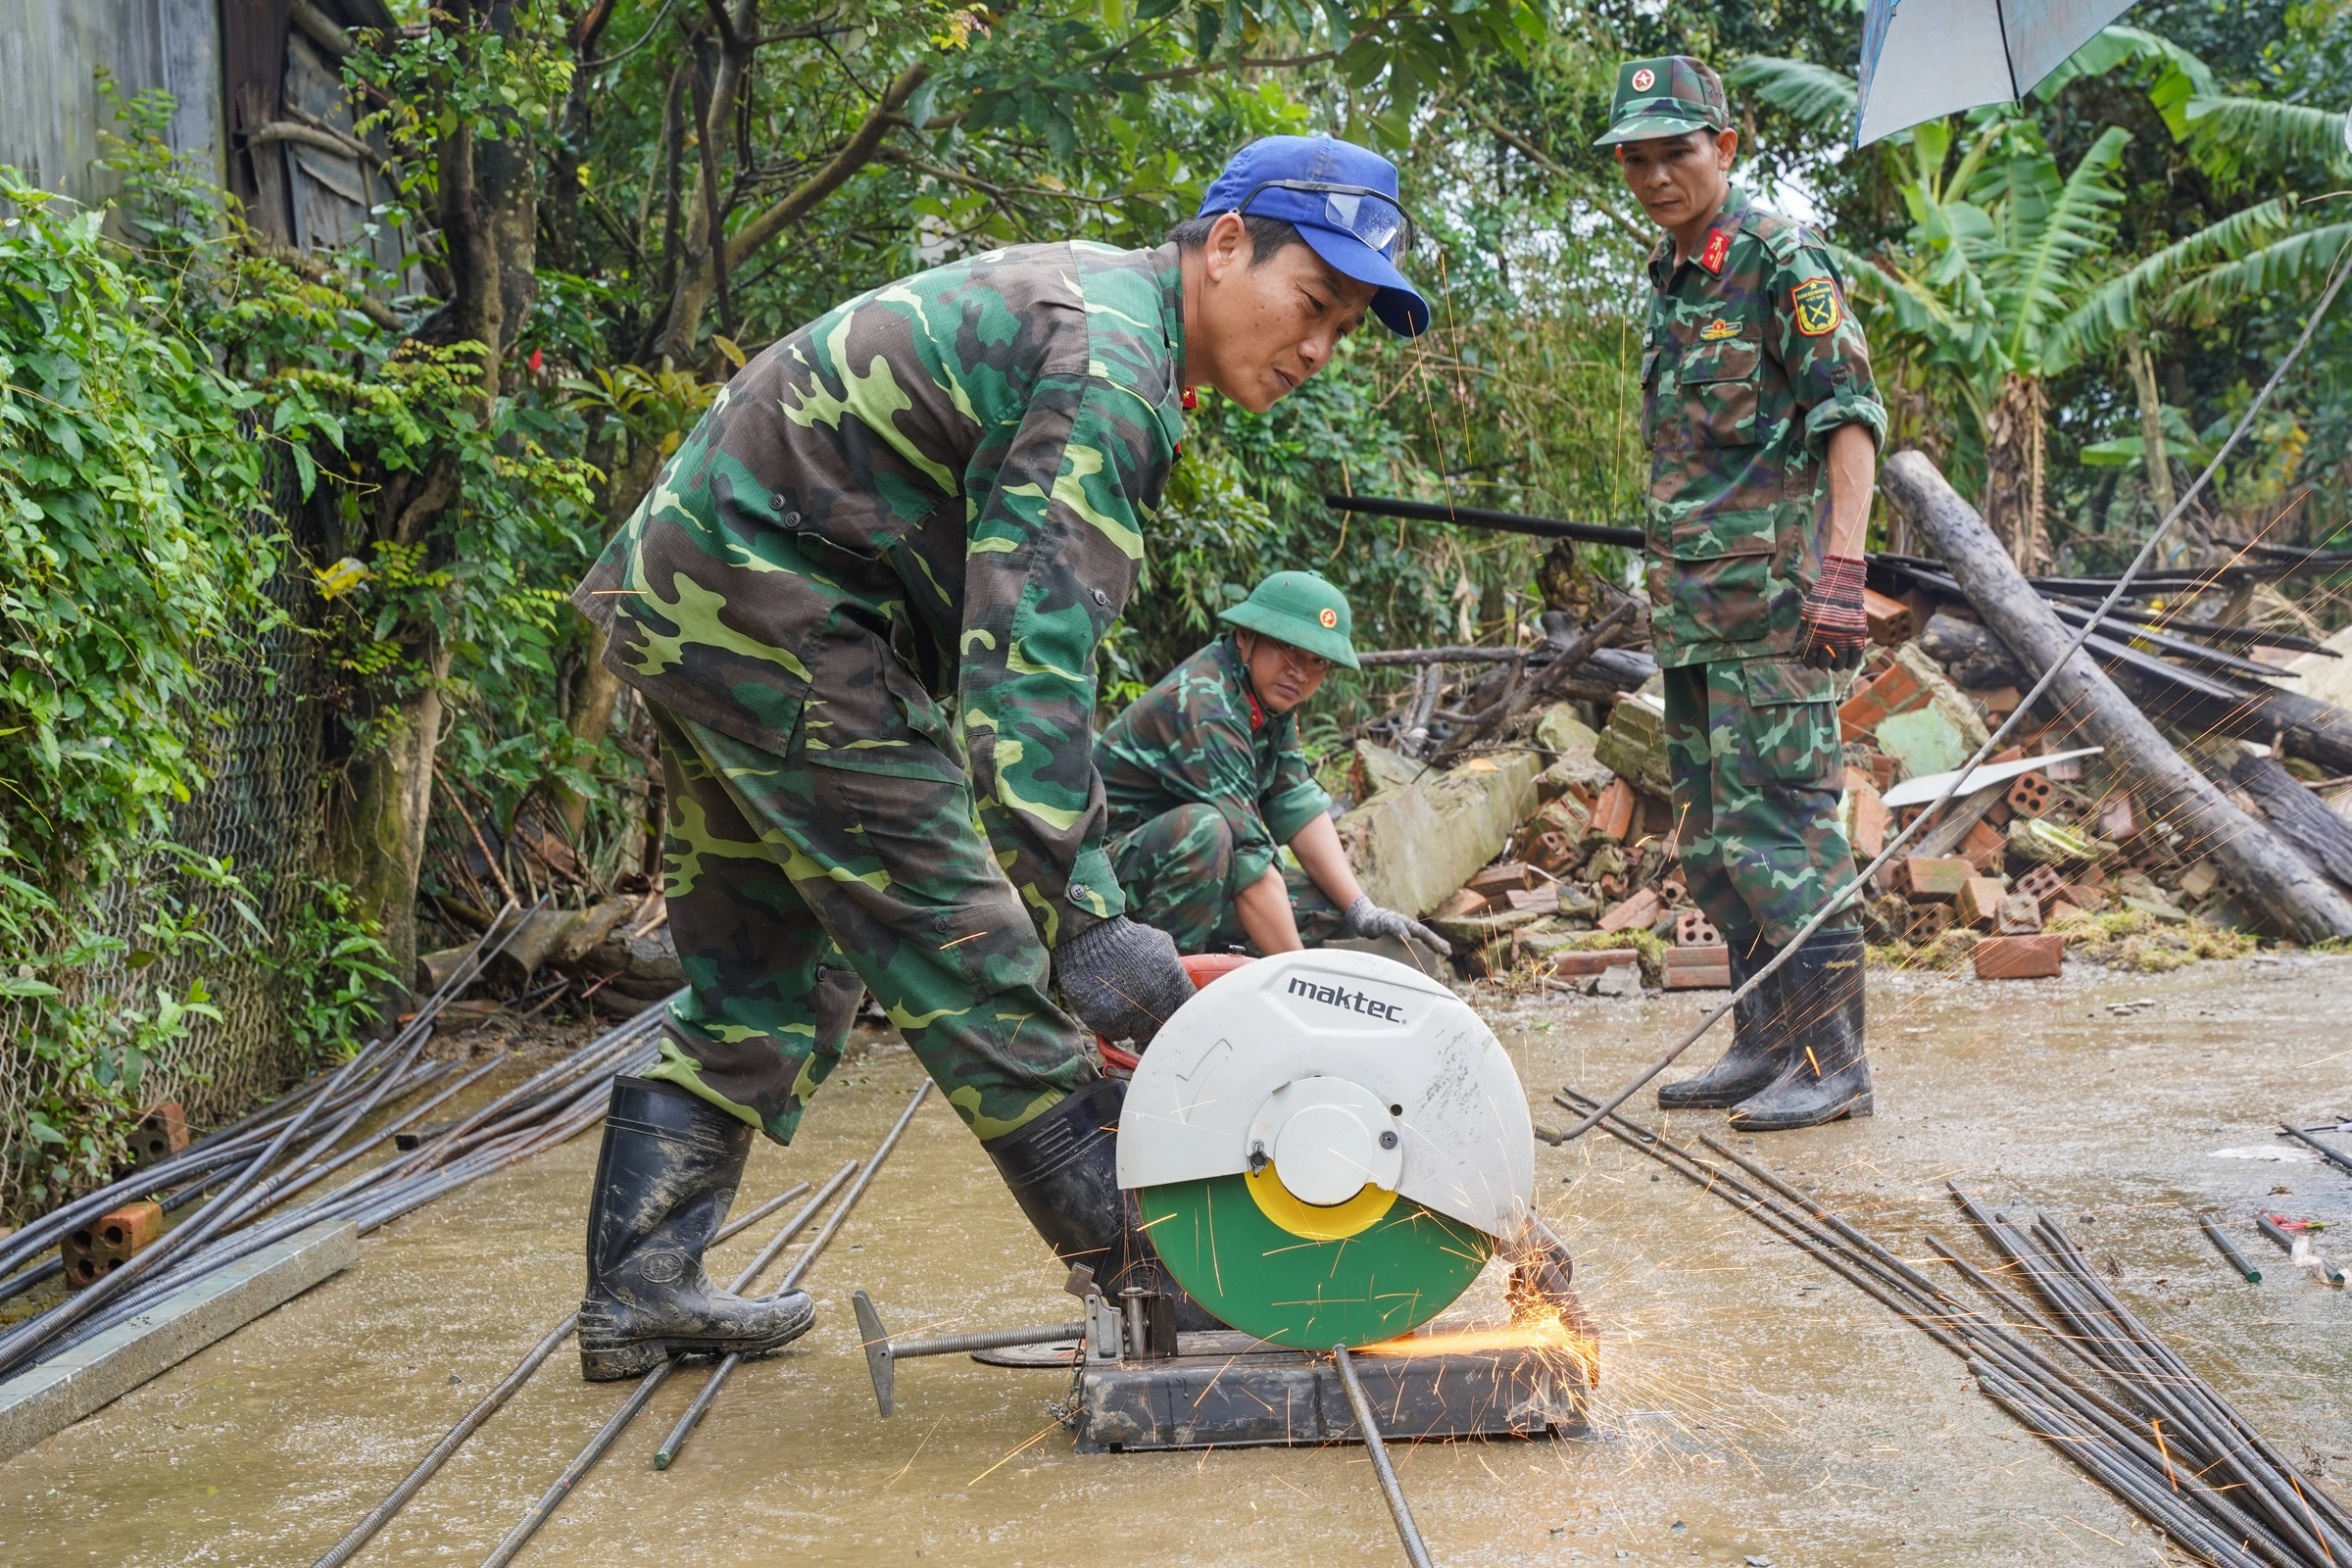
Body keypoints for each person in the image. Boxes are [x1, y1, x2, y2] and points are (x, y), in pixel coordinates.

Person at [564, 135, 1435, 1380]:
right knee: (980, 952)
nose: (1317, 349)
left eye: (1345, 329)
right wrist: (1081, 916)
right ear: (1227, 243)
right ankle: (1164, 1277)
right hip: (774, 602)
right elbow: (1027, 656)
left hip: (709, 585)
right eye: (1314, 305)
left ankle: (641, 1285)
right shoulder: (1115, 365)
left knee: (763, 957)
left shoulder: (1108, 315)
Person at [1596, 56, 1886, 1132]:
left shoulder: (1778, 257)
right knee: (1716, 844)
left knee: (1787, 835)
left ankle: (1836, 1060)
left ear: (1727, 145)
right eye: (1637, 154)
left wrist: (1843, 573)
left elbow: (1848, 416)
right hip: (1694, 616)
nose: (1656, 173)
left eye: (1678, 149)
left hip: (1774, 609)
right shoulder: (1674, 273)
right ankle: (1766, 1045)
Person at [1096, 570, 1449, 962]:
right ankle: (1157, 990)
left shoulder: (1268, 701)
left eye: (1318, 661)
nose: (1300, 672)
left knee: (1331, 908)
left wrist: (1362, 910)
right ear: (1246, 637)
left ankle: (1226, 970)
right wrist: (1302, 982)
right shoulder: (1205, 702)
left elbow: (1297, 803)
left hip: (1196, 882)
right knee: (1206, 832)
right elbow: (1247, 850)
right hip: (1104, 890)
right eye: (1287, 649)